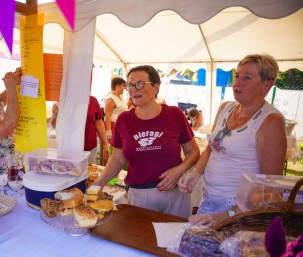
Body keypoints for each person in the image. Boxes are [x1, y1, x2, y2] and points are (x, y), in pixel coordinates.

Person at [179, 54, 287, 226]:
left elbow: (270, 189)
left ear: (267, 84)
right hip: (209, 199)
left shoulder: (270, 121)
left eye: (247, 78)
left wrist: (227, 214)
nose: (237, 83)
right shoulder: (226, 108)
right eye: (237, 76)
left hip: (241, 209)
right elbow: (211, 148)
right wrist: (195, 173)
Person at [92, 65, 200, 218]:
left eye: (140, 84)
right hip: (140, 196)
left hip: (175, 194)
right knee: (139, 239)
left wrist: (180, 170)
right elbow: (117, 158)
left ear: (156, 87)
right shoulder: (124, 120)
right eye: (130, 85)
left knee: (176, 239)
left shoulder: (174, 115)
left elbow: (193, 152)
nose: (133, 90)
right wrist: (100, 182)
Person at [50, 97, 109, 164]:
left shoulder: (93, 101)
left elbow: (99, 124)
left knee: (88, 172)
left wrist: (106, 144)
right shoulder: (64, 99)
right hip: (69, 148)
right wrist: (55, 115)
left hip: (89, 148)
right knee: (70, 171)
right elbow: (55, 126)